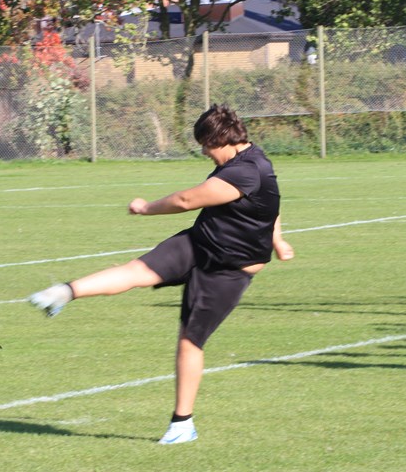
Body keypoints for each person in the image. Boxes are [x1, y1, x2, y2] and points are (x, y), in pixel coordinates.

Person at [29, 104, 294, 444]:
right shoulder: (248, 161)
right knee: (136, 271)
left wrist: (145, 208)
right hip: (200, 242)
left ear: (220, 140)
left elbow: (185, 200)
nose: (204, 152)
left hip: (226, 269)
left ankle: (183, 425)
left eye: (206, 146)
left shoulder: (246, 171)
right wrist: (277, 240)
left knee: (189, 341)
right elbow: (271, 205)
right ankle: (64, 292)